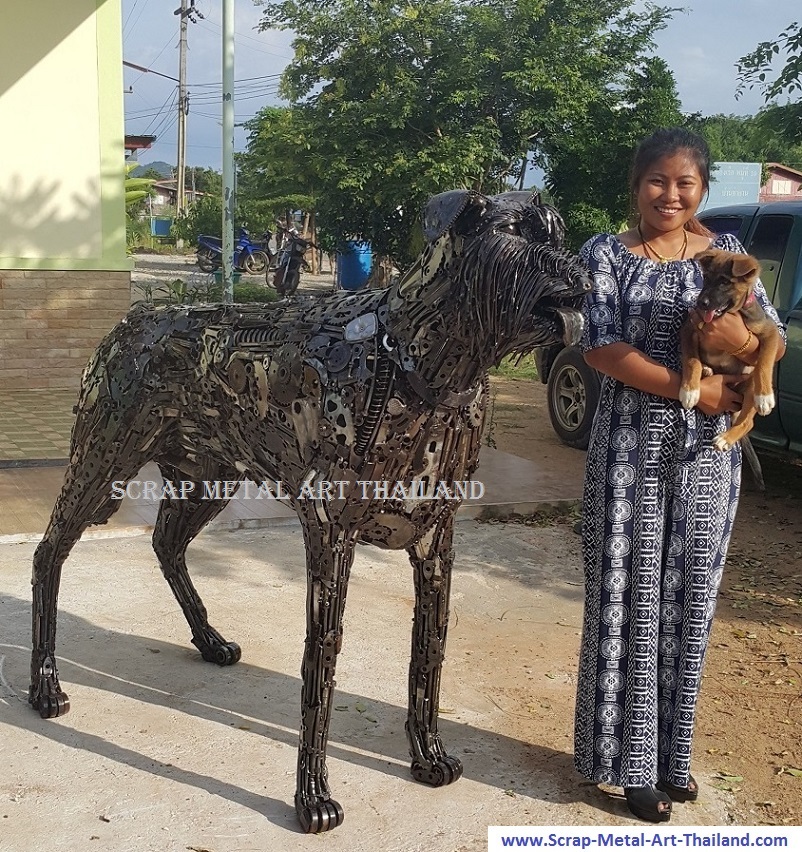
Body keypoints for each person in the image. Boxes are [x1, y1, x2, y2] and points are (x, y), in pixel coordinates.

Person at [572, 127, 786, 823]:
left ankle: (673, 756)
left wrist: (740, 351)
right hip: (629, 453)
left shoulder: (727, 260)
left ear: (701, 188)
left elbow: (764, 336)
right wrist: (693, 387)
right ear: (637, 186)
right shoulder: (607, 254)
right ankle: (626, 763)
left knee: (690, 598)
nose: (670, 194)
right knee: (627, 596)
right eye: (657, 181)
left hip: (707, 462)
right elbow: (600, 346)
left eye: (684, 183)